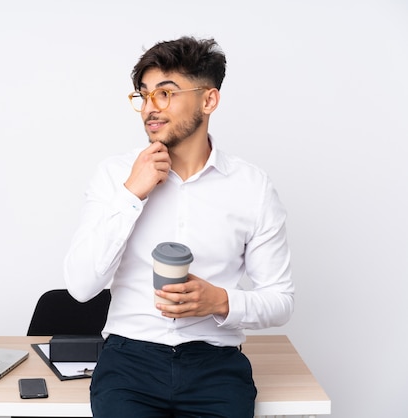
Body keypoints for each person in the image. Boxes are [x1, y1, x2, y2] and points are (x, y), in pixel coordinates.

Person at [63, 36, 294, 418]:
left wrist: (219, 301)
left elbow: (281, 299)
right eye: (143, 95)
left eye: (165, 94)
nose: (149, 109)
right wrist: (131, 194)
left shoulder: (252, 188)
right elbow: (81, 286)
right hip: (128, 363)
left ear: (208, 100)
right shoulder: (115, 176)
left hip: (216, 365)